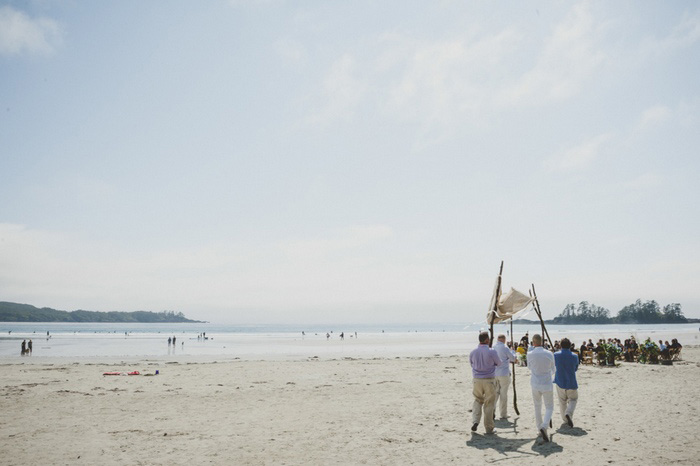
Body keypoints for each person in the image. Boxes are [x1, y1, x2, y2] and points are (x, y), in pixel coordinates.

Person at [468, 332, 502, 434]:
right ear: (487, 340)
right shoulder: (492, 351)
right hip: (489, 379)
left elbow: (471, 364)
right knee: (489, 403)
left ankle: (475, 421)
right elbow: (499, 363)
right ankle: (489, 427)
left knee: (478, 400)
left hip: (477, 379)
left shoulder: (473, 352)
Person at [528, 334, 555, 442]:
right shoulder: (549, 353)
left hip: (535, 383)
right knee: (549, 407)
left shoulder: (530, 354)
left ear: (533, 343)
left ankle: (540, 428)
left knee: (537, 406)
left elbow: (529, 367)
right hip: (546, 383)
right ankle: (544, 426)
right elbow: (553, 369)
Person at [554, 338, 579, 427]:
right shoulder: (574, 356)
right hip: (571, 381)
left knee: (562, 401)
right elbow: (575, 368)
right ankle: (568, 413)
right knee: (573, 399)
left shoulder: (556, 355)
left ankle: (565, 419)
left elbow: (553, 365)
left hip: (560, 381)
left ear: (561, 345)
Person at [493, 334, 517, 419]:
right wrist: (513, 352)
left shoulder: (493, 347)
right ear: (504, 339)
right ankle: (503, 414)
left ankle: (492, 411)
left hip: (495, 373)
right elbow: (513, 359)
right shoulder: (505, 347)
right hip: (504, 373)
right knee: (503, 394)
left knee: (495, 393)